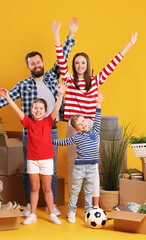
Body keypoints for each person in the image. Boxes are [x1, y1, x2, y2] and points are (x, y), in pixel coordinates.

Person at [0, 17, 79, 216]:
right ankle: (30, 205)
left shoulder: (54, 75)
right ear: (28, 66)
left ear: (43, 63)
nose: (36, 65)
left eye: (38, 62)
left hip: (51, 131)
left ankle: (50, 208)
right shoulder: (23, 85)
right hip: (30, 132)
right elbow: (5, 99)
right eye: (32, 63)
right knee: (30, 171)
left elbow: (63, 55)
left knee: (50, 171)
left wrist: (70, 34)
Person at [51, 20, 137, 208]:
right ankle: (73, 204)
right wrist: (59, 34)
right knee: (73, 163)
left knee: (92, 166)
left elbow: (114, 63)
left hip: (90, 127)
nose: (80, 65)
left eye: (83, 62)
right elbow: (60, 57)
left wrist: (129, 44)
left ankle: (95, 206)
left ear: (87, 64)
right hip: (74, 127)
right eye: (77, 62)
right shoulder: (68, 79)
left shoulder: (96, 80)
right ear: (73, 66)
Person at [0, 80, 66, 224]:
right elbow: (17, 111)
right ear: (32, 110)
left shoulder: (48, 121)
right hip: (33, 160)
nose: (38, 110)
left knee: (47, 188)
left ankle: (52, 214)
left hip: (47, 160)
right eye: (36, 108)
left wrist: (61, 94)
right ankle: (33, 214)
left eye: (41, 108)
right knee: (34, 188)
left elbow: (56, 108)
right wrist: (7, 97)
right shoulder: (29, 123)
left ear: (45, 111)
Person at [53, 92, 104, 223]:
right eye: (79, 124)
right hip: (79, 168)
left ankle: (88, 212)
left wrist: (98, 103)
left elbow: (97, 117)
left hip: (92, 168)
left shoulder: (95, 131)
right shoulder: (76, 136)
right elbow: (64, 142)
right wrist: (51, 141)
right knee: (75, 191)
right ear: (76, 129)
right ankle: (71, 212)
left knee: (88, 191)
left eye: (83, 121)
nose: (83, 124)